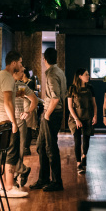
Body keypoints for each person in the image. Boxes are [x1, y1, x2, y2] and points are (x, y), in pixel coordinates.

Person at [0, 51, 28, 197]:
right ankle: (10, 188)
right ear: (13, 63)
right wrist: (14, 122)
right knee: (11, 155)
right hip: (7, 121)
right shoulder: (7, 78)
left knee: (3, 155)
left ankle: (3, 187)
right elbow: (7, 102)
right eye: (20, 62)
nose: (21, 65)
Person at [30, 47, 66, 192]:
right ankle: (43, 179)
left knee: (51, 148)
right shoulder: (60, 71)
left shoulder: (52, 74)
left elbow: (55, 98)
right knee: (41, 146)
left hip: (52, 113)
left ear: (44, 59)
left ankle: (57, 182)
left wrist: (46, 114)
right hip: (54, 112)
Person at [13, 65, 38, 187]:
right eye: (21, 72)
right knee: (10, 151)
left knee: (20, 150)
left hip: (19, 121)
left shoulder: (20, 86)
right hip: (8, 122)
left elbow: (33, 99)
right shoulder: (5, 84)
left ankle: (17, 175)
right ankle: (21, 171)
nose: (23, 75)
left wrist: (28, 111)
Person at [67, 67, 97, 173]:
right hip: (75, 118)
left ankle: (84, 156)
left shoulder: (90, 88)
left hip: (88, 117)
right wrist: (76, 119)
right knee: (77, 140)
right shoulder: (72, 88)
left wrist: (95, 116)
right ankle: (78, 163)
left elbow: (94, 104)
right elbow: (70, 106)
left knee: (86, 139)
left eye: (88, 74)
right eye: (86, 74)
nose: (88, 76)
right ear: (80, 76)